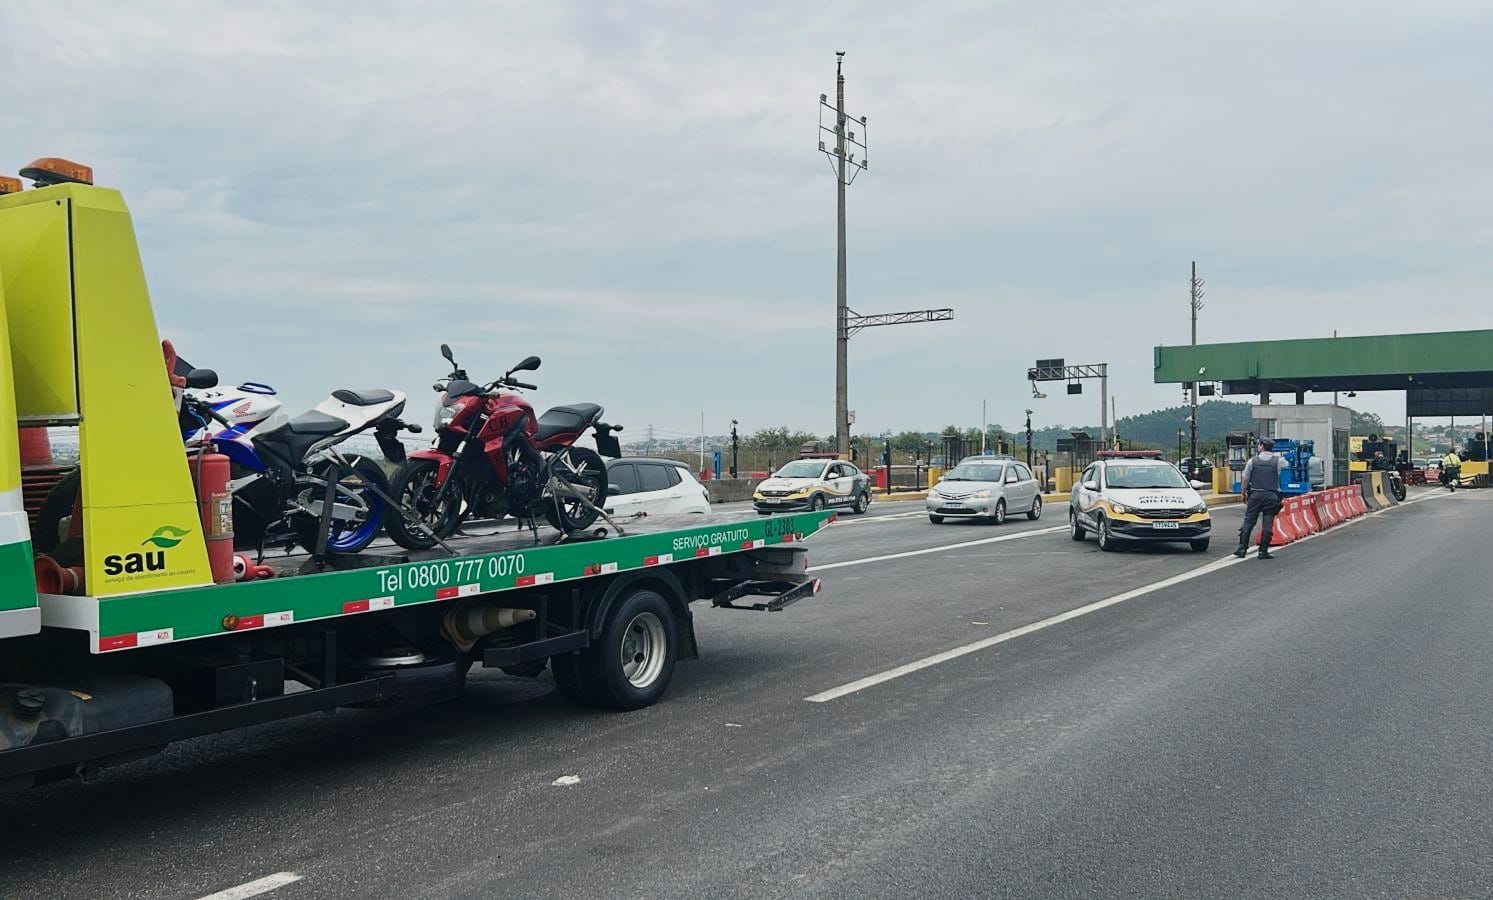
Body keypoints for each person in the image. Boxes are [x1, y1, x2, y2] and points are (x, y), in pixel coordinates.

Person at [1235, 437, 1287, 559]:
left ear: (1262, 446)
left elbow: (1245, 478)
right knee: (1268, 524)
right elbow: (1286, 464)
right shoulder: (1278, 461)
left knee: (1248, 521)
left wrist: (1243, 493)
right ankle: (1263, 551)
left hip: (1256, 495)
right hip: (1271, 495)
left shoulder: (1252, 461)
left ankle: (1242, 548)